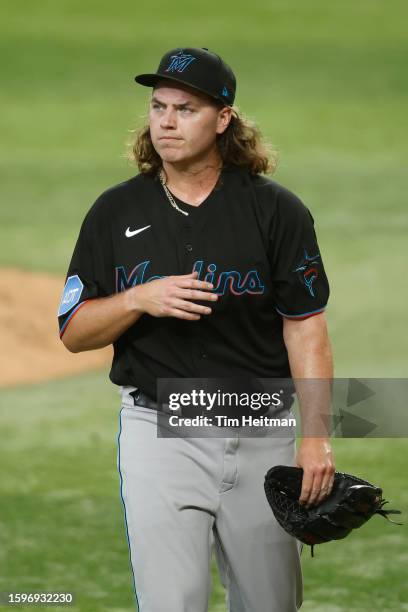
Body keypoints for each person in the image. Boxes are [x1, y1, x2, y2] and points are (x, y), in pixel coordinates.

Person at [58, 47, 335, 612]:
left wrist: (315, 437)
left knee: (270, 604)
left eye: (185, 109)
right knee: (171, 604)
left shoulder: (277, 212)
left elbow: (305, 329)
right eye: (158, 107)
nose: (165, 121)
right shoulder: (113, 212)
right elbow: (74, 331)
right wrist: (139, 298)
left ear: (224, 119)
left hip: (261, 429)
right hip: (161, 436)